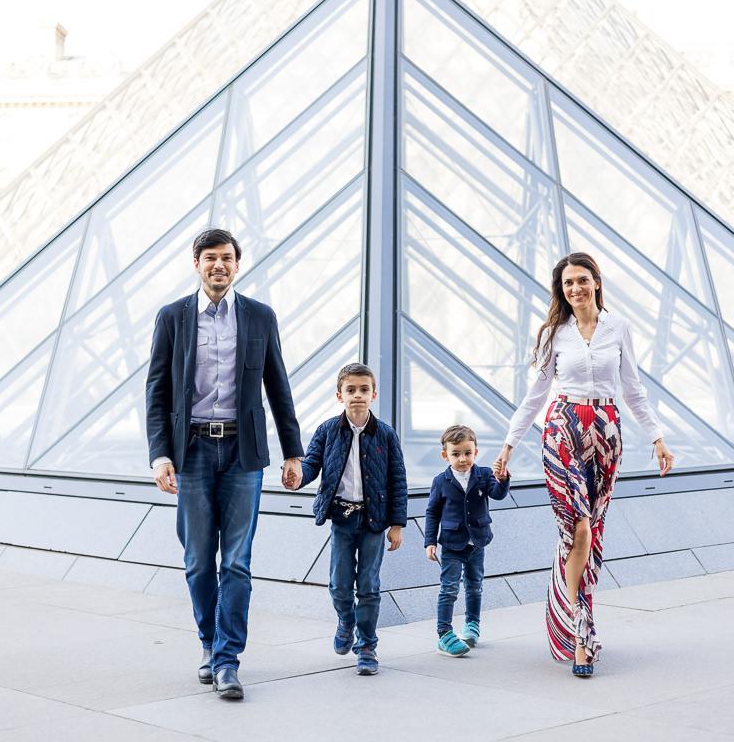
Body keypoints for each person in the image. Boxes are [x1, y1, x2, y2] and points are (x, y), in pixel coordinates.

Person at [493, 253, 674, 678]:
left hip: (606, 432)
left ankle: (570, 609)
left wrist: (658, 438)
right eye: (567, 283)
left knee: (590, 536)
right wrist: (507, 446)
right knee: (578, 529)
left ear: (597, 281)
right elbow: (534, 396)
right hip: (562, 429)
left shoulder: (619, 327)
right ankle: (581, 634)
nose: (575, 288)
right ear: (561, 289)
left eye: (582, 280)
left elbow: (633, 389)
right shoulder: (553, 334)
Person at [145, 228, 304, 701]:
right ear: (196, 262)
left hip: (243, 454)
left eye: (227, 259)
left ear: (238, 264)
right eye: (210, 258)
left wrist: (292, 452)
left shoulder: (259, 316)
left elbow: (278, 385)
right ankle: (209, 644)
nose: (219, 266)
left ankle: (228, 660)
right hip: (191, 451)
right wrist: (160, 454)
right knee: (197, 562)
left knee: (236, 562)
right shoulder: (172, 317)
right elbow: (156, 391)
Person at [287, 362, 407, 676]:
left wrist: (397, 525)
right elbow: (311, 464)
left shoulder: (385, 434)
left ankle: (367, 646)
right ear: (339, 395)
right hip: (341, 517)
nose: (357, 395)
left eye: (363, 390)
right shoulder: (327, 430)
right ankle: (346, 620)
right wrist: (298, 476)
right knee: (339, 585)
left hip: (374, 520)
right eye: (350, 390)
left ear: (374, 394)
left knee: (368, 585)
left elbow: (397, 480)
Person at [423, 424, 510, 657]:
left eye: (467, 453)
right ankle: (444, 634)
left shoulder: (483, 474)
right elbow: (432, 512)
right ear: (445, 455)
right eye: (456, 454)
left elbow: (498, 494)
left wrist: (503, 478)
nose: (463, 459)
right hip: (452, 544)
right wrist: (429, 541)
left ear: (476, 452)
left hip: (477, 543)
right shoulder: (441, 481)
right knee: (449, 588)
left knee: (474, 586)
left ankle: (472, 624)